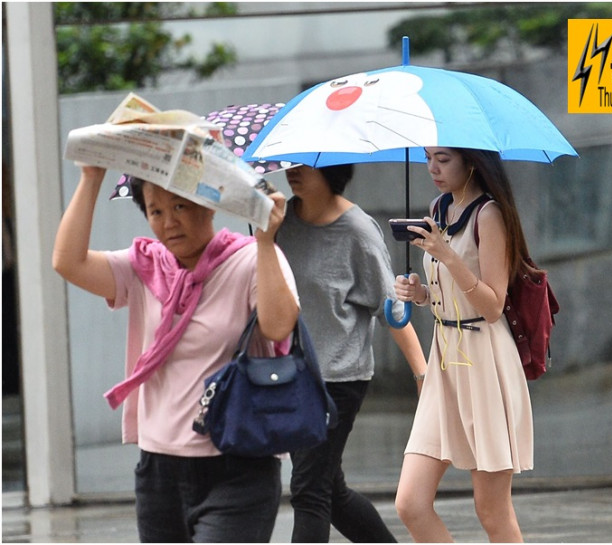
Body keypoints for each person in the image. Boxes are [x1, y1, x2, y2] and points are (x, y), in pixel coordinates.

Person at [52, 165, 299, 543]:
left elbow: (279, 327)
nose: (169, 222)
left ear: (210, 203)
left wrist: (267, 242)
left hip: (239, 467)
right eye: (156, 211)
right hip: (159, 473)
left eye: (181, 206)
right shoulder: (144, 268)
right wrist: (91, 176)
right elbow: (68, 262)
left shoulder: (251, 259)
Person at [275, 163, 428, 543]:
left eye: (304, 165)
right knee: (330, 489)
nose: (292, 171)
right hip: (292, 375)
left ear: (332, 170)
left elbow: (391, 310)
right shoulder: (279, 222)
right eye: (290, 163)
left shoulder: (358, 232)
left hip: (338, 379)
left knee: (309, 490)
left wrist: (424, 375)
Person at [393, 147, 533, 543]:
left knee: (491, 510)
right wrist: (420, 294)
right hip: (444, 359)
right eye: (427, 159)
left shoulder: (489, 215)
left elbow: (493, 306)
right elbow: (444, 294)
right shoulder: (439, 208)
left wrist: (447, 255)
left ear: (471, 162)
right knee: (411, 503)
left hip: (485, 360)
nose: (432, 168)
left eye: (443, 159)